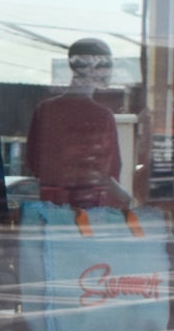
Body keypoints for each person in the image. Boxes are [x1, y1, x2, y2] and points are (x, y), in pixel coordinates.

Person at [25, 38, 127, 210]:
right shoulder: (102, 116)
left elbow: (33, 162)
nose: (110, 71)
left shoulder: (46, 109)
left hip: (51, 207)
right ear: (90, 67)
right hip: (91, 208)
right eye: (106, 64)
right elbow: (110, 171)